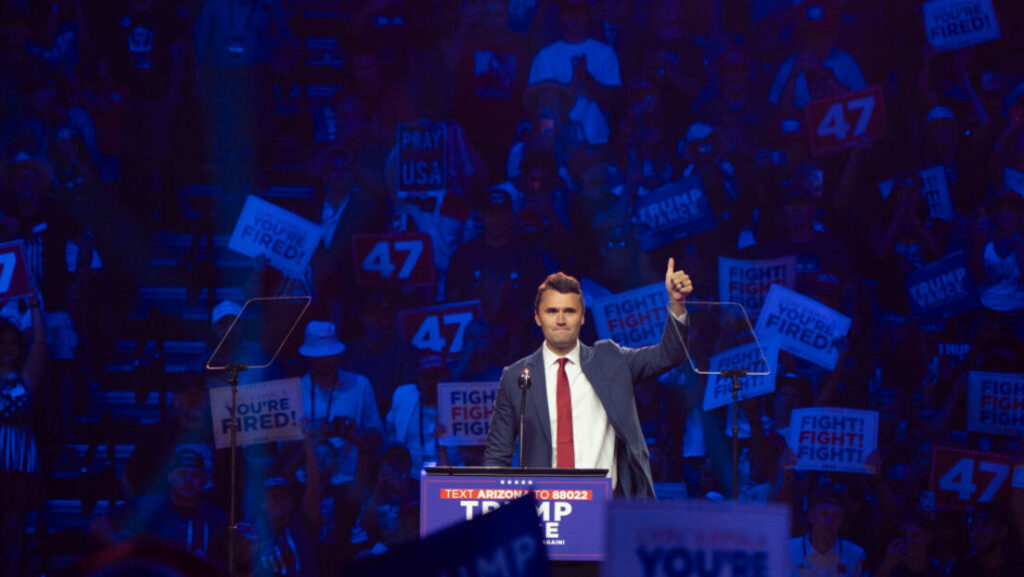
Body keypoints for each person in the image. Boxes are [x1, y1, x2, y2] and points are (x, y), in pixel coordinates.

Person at [483, 260, 693, 497]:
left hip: (609, 503)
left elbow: (669, 355)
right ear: (538, 317)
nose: (561, 320)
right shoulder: (515, 377)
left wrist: (677, 304)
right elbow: (497, 455)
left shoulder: (612, 360)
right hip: (544, 505)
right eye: (552, 311)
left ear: (582, 317)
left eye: (569, 311)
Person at [0, 293, 45, 577]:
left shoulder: (27, 376)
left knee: (14, 528)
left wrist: (35, 306)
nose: (8, 349)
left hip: (18, 462)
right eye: (2, 343)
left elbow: (39, 343)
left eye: (13, 343)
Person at [788, 487, 866, 577]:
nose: (829, 521)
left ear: (842, 521)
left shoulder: (855, 555)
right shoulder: (787, 550)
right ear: (811, 516)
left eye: (836, 516)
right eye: (824, 514)